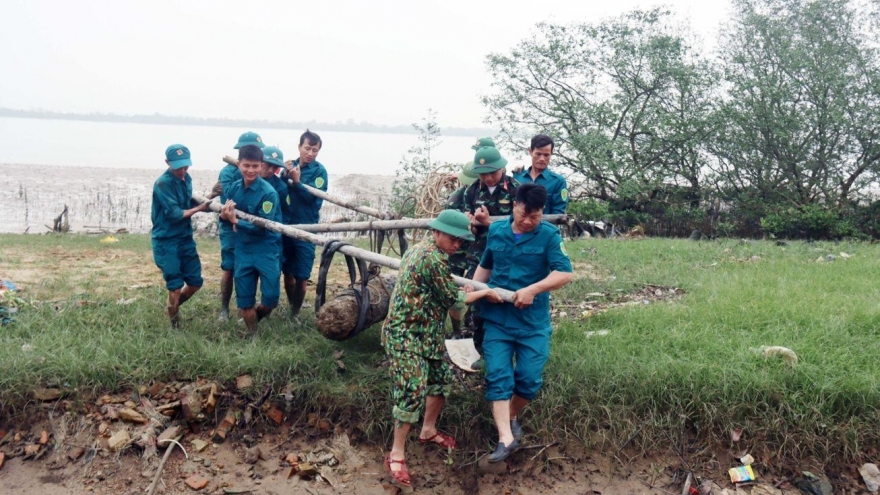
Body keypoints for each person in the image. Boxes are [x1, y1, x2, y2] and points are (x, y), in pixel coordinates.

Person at [382, 209, 502, 488]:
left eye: (461, 241)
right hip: (405, 335)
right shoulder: (431, 259)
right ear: (436, 232)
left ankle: (427, 430)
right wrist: (483, 291)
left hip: (426, 333)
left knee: (440, 381)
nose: (457, 245)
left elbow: (445, 296)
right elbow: (455, 301)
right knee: (412, 390)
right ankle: (396, 454)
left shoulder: (421, 249)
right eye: (453, 238)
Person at [473, 183, 573, 463]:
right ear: (513, 206)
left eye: (535, 216)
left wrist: (532, 290)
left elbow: (564, 273)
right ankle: (505, 438)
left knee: (528, 380)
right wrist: (475, 290)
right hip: (497, 320)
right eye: (524, 215)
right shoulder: (497, 230)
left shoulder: (549, 236)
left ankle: (512, 413)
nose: (528, 221)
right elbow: (486, 265)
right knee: (498, 377)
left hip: (532, 323)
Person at [461, 147, 519, 354]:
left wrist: (489, 223)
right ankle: (479, 346)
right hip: (478, 253)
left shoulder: (515, 190)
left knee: (505, 295)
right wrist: (471, 223)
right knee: (475, 294)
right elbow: (466, 225)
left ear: (502, 168)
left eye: (492, 172)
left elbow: (520, 225)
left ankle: (508, 344)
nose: (488, 178)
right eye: (483, 173)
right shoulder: (472, 191)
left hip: (506, 253)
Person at [219, 144, 281, 334]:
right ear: (239, 164)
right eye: (246, 165)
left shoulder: (269, 193)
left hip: (266, 250)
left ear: (262, 165)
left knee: (271, 299)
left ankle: (258, 316)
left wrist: (235, 221)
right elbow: (225, 219)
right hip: (243, 250)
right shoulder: (232, 190)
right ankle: (252, 333)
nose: (251, 170)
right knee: (245, 301)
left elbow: (264, 225)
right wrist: (224, 217)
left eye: (255, 166)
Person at [151, 144, 211, 327]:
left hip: (185, 238)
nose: (183, 171)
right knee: (175, 286)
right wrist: (200, 208)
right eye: (178, 167)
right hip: (166, 240)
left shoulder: (187, 178)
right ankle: (174, 324)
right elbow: (175, 214)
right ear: (167, 162)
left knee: (195, 282)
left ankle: (172, 308)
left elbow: (187, 200)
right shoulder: (162, 183)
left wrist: (209, 200)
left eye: (186, 166)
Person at [217, 131, 265, 322]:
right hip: (231, 227)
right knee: (229, 268)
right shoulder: (228, 173)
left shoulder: (262, 171)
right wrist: (236, 221)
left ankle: (246, 307)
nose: (251, 169)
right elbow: (228, 205)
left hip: (252, 229)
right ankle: (224, 309)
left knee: (250, 268)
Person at [282, 130, 328, 321]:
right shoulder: (288, 166)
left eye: (315, 150)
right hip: (286, 225)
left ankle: (295, 313)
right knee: (288, 272)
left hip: (307, 228)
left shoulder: (319, 171)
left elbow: (313, 199)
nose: (310, 153)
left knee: (302, 276)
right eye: (307, 148)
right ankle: (291, 307)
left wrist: (297, 182)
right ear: (299, 147)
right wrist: (284, 176)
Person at [512, 134, 569, 214]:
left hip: (544, 225)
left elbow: (558, 212)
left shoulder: (558, 182)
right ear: (531, 152)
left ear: (551, 154)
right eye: (538, 154)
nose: (542, 159)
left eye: (546, 155)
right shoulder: (517, 177)